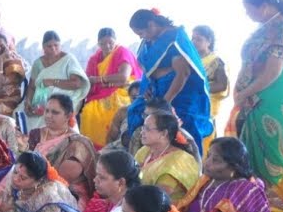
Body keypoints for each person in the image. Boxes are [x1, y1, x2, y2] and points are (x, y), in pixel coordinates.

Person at [126, 9, 215, 153]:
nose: (142, 38)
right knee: (135, 111)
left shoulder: (174, 39)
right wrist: (148, 87)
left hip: (178, 96)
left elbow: (183, 74)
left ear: (151, 24)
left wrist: (164, 104)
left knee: (176, 127)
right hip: (156, 91)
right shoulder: (149, 41)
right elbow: (148, 70)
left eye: (142, 33)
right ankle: (142, 161)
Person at [234, 0, 283, 192]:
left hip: (273, 95)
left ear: (265, 6)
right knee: (254, 148)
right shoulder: (267, 27)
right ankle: (258, 198)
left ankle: (279, 199)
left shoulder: (281, 28)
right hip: (257, 95)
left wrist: (244, 93)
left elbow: (273, 71)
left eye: (248, 7)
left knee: (274, 147)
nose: (247, 13)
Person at [81, 29, 142, 148]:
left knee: (110, 110)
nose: (107, 46)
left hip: (123, 90)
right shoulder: (95, 58)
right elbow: (88, 79)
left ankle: (109, 146)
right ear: (98, 43)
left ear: (115, 41)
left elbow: (123, 77)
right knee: (88, 111)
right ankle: (92, 148)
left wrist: (99, 80)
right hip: (100, 92)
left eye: (110, 42)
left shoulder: (122, 52)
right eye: (103, 43)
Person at [26, 32, 91, 133]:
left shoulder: (68, 59)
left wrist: (52, 82)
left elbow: (77, 83)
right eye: (49, 46)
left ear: (60, 45)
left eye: (56, 45)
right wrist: (28, 102)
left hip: (62, 99)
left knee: (53, 112)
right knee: (19, 113)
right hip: (40, 100)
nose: (53, 49)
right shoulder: (38, 63)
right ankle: (32, 143)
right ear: (43, 47)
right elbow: (31, 86)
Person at [136, 110, 202, 204]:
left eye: (147, 129)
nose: (142, 132)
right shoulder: (144, 151)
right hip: (139, 203)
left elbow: (157, 199)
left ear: (164, 134)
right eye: (143, 127)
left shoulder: (178, 161)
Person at [192, 26, 230, 150]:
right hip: (190, 106)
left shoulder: (216, 61)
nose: (194, 42)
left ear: (209, 41)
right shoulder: (190, 59)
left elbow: (222, 85)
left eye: (199, 39)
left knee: (203, 143)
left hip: (206, 108)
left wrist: (199, 88)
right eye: (193, 39)